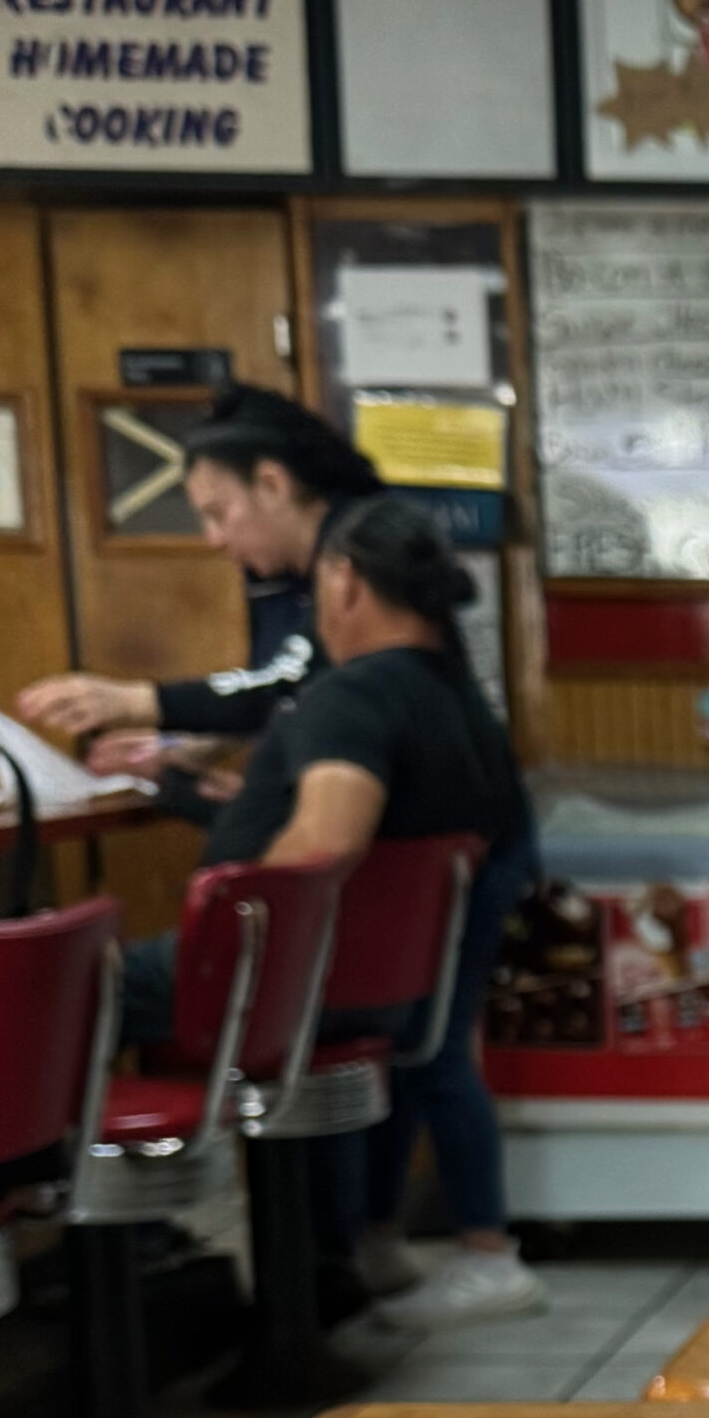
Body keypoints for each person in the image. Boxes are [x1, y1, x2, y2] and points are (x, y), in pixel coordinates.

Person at [198, 494, 545, 1329]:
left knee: (428, 1060)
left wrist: (227, 904)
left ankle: (479, 1252)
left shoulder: (356, 695)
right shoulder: (449, 689)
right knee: (418, 1056)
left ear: (344, 582)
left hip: (324, 956)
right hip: (425, 934)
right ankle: (377, 1239)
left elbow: (327, 838)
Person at [18, 388, 375, 815]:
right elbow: (279, 691)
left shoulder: (367, 553)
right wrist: (195, 745)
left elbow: (291, 680)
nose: (214, 538)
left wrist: (136, 701)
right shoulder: (278, 570)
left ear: (271, 485)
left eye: (218, 513)